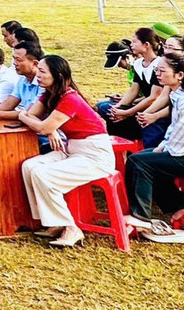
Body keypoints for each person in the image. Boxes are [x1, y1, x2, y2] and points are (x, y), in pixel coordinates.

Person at [18, 55, 115, 248]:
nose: (38, 74)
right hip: (72, 148)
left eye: (43, 71)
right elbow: (34, 117)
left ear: (57, 75)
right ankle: (53, 221)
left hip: (94, 154)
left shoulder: (70, 98)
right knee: (29, 166)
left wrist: (32, 120)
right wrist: (48, 127)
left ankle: (71, 227)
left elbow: (37, 124)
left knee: (43, 174)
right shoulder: (50, 94)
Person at [124, 52, 184, 240]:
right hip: (177, 148)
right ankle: (179, 206)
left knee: (141, 162)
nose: (158, 74)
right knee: (143, 158)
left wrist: (165, 149)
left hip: (180, 153)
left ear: (179, 75)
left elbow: (180, 136)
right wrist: (162, 147)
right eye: (157, 70)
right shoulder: (177, 94)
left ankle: (141, 215)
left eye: (162, 70)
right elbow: (174, 128)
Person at [99, 27, 167, 145]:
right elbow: (133, 90)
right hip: (142, 106)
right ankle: (122, 147)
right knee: (106, 109)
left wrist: (128, 112)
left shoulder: (159, 65)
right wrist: (118, 108)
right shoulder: (138, 64)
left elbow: (153, 97)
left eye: (135, 41)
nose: (131, 45)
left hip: (156, 109)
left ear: (146, 45)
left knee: (147, 123)